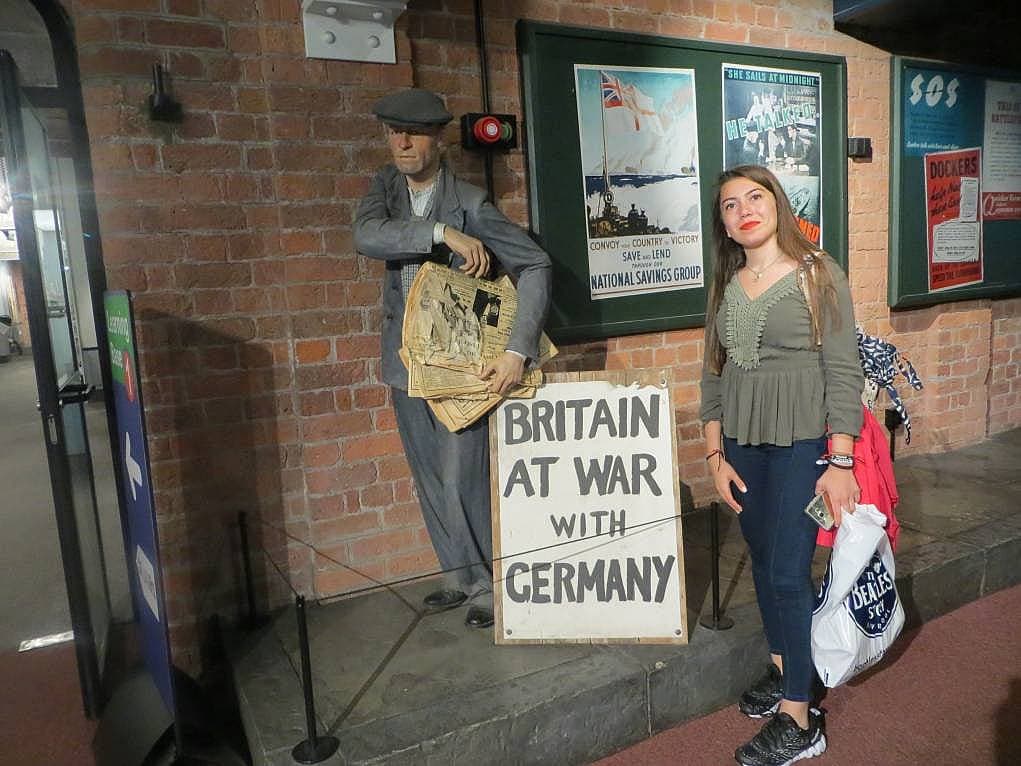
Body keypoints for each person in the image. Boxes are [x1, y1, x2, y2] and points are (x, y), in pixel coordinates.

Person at [353, 88, 552, 630]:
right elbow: (366, 236)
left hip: (461, 367)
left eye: (413, 133)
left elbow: (534, 264)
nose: (402, 143)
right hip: (404, 363)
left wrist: (517, 349)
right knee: (426, 475)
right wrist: (441, 233)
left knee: (461, 477)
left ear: (438, 139)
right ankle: (459, 577)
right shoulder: (385, 190)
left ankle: (491, 583)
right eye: (393, 132)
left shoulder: (469, 201)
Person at [699, 165, 863, 765]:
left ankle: (801, 716)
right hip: (742, 445)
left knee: (791, 571)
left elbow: (844, 369)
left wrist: (839, 460)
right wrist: (715, 455)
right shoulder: (727, 281)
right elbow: (713, 373)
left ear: (777, 204)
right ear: (722, 224)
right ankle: (782, 663)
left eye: (755, 197)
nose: (743, 209)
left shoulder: (819, 273)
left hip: (803, 444)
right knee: (764, 561)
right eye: (729, 205)